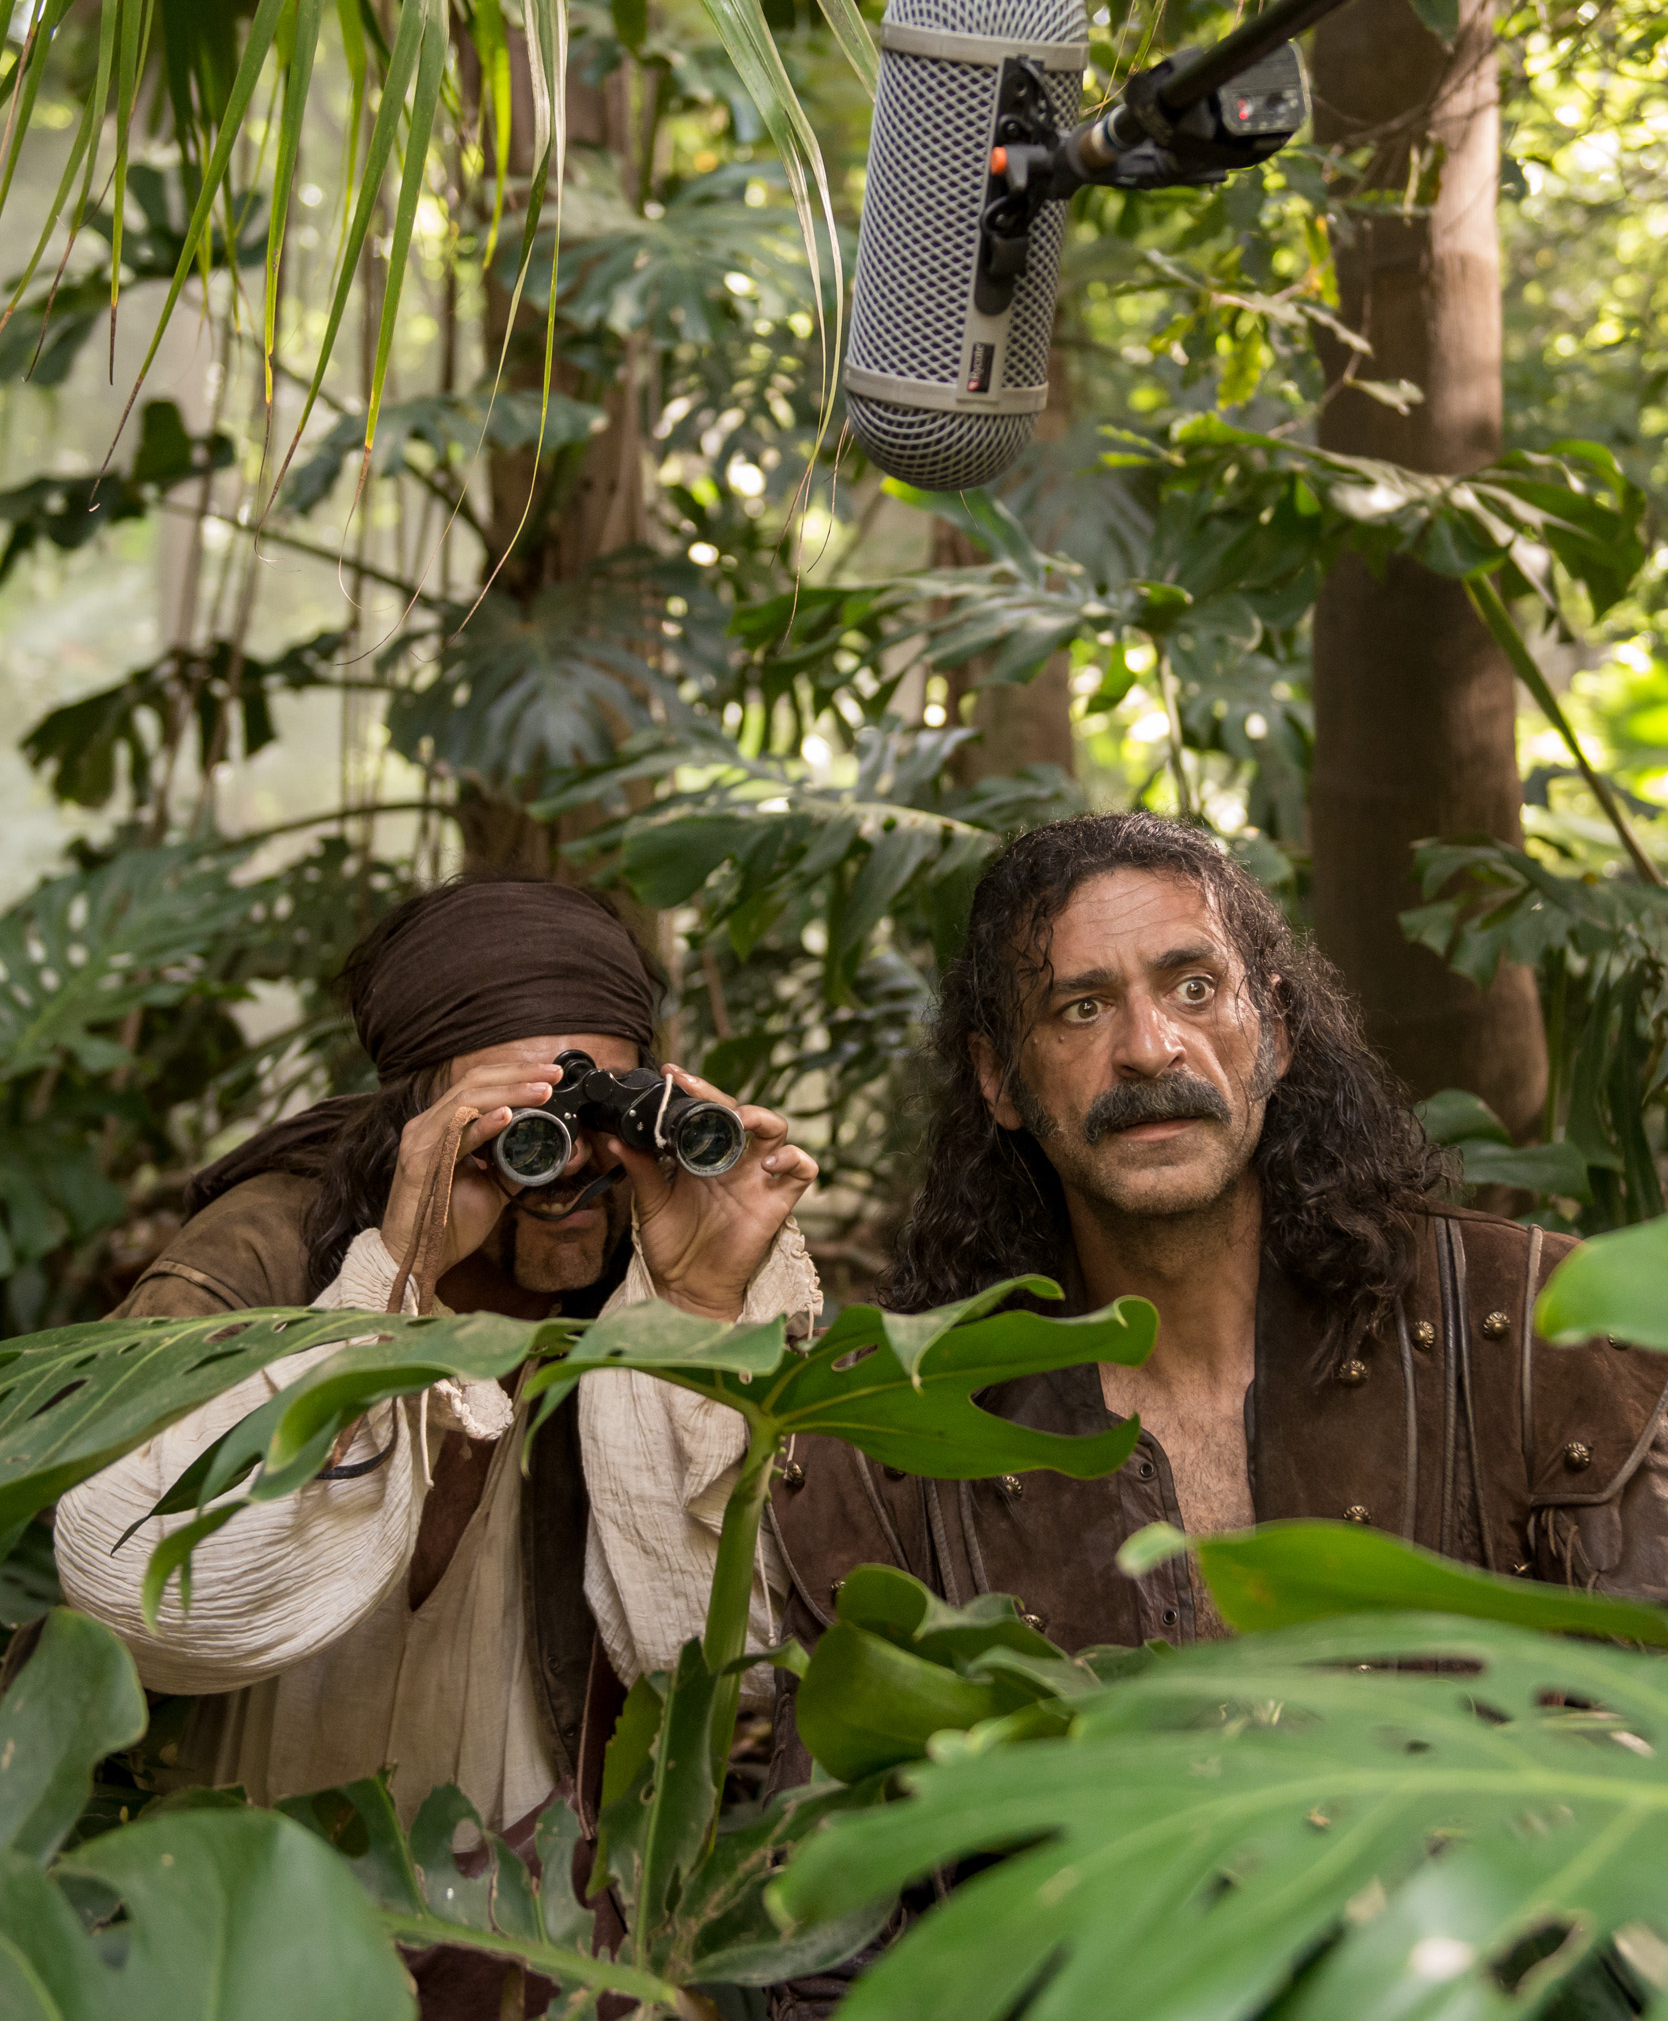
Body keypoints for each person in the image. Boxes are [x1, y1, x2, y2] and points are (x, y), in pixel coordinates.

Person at [583, 808, 1668, 1789]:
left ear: (1276, 1031)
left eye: (1194, 987)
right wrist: (699, 1301)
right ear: (1000, 1078)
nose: (1149, 1049)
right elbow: (734, 1715)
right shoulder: (904, 1426)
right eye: (1082, 1006)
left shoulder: (1535, 1324)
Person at [54, 875, 821, 2014]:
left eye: (600, 1115)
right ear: (419, 1114)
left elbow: (719, 1642)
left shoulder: (650, 1266)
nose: (571, 1168)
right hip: (234, 1905)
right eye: (525, 1126)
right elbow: (141, 1593)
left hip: (531, 1921)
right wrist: (393, 1289)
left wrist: (698, 1310)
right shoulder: (264, 1249)